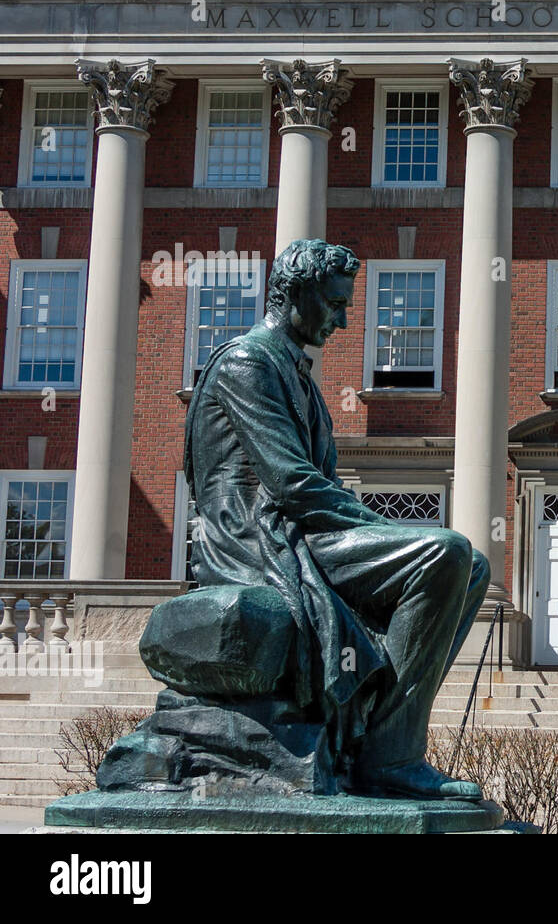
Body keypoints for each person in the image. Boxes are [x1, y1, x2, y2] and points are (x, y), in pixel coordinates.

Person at [179, 238, 486, 799]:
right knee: (446, 552)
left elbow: (318, 485)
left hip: (299, 532)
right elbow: (293, 482)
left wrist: (375, 529)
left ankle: (379, 738)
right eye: (336, 304)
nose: (344, 321)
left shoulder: (297, 375)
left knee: (472, 566)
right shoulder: (248, 362)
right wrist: (387, 530)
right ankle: (391, 760)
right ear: (297, 294)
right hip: (261, 542)